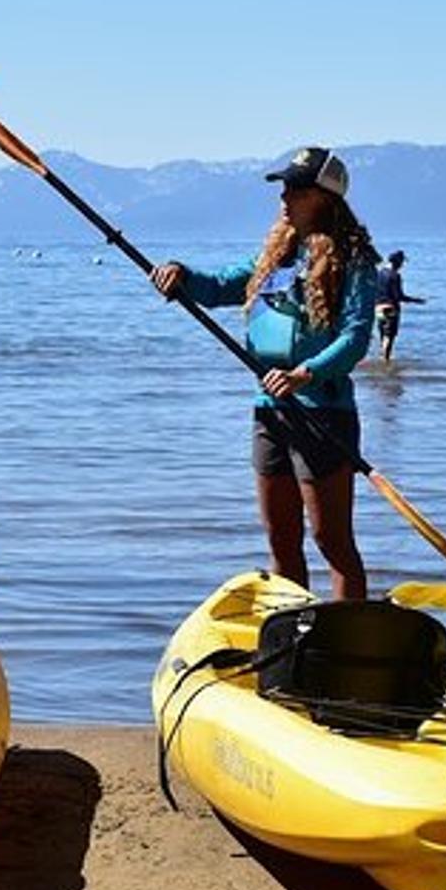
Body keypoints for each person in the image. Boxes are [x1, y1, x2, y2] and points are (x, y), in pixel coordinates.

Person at [150, 147, 379, 598]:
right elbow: (217, 286)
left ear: (323, 197)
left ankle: (347, 639)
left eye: (294, 188)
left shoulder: (354, 260)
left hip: (322, 412)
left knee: (331, 542)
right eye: (283, 188)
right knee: (281, 541)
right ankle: (294, 632)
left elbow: (355, 338)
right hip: (270, 411)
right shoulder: (276, 255)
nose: (284, 198)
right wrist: (180, 275)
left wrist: (305, 374)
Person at [374, 249, 426, 363]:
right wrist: (416, 300)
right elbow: (399, 296)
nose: (402, 265)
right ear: (397, 262)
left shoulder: (379, 273)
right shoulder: (395, 276)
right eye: (401, 263)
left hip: (377, 308)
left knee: (382, 335)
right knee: (390, 336)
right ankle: (385, 361)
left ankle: (382, 358)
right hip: (390, 308)